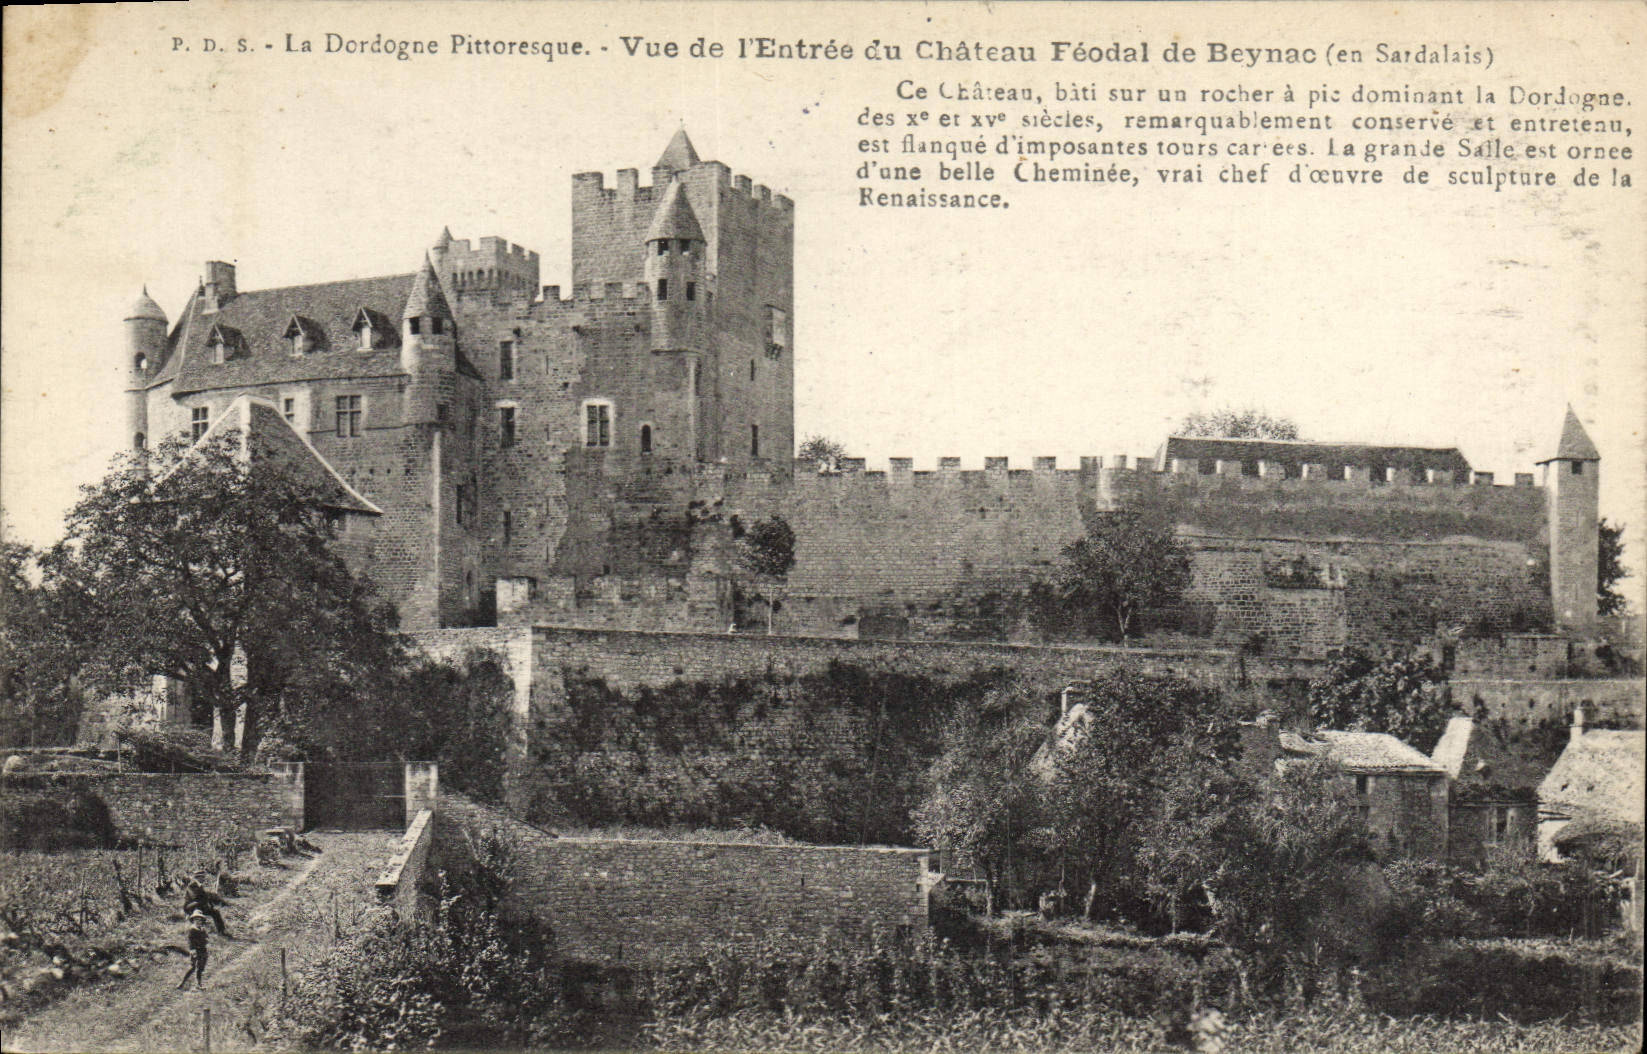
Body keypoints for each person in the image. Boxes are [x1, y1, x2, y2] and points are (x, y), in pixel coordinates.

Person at [183, 871, 229, 937]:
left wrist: (210, 905)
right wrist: (206, 900)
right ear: (198, 877)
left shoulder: (199, 885)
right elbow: (195, 897)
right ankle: (197, 933)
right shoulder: (192, 885)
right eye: (202, 877)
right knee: (199, 911)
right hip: (190, 906)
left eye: (204, 877)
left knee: (215, 912)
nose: (204, 879)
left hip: (199, 905)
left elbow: (204, 898)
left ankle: (221, 931)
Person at [177, 911, 209, 990]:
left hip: (203, 950)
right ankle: (182, 983)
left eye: (200, 919)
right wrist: (193, 950)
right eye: (196, 919)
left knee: (200, 967)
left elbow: (206, 938)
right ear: (193, 920)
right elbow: (191, 941)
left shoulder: (202, 929)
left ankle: (199, 984)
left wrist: (206, 940)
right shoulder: (192, 929)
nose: (198, 921)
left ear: (202, 921)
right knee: (192, 967)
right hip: (195, 951)